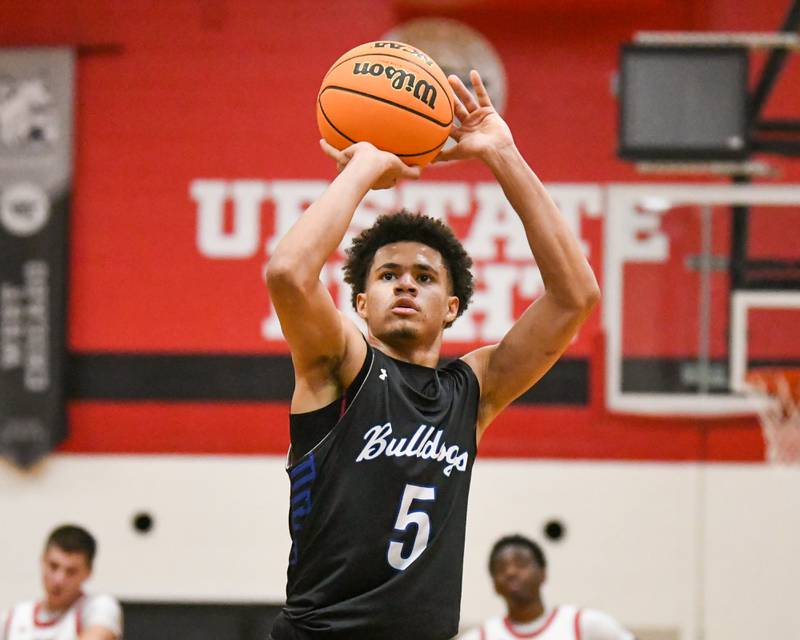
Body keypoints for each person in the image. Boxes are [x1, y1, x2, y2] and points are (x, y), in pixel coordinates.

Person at [265, 69, 599, 640]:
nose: (405, 285)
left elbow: (575, 297)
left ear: (450, 306)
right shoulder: (340, 368)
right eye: (389, 274)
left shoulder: (471, 391)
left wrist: (502, 153)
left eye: (424, 277)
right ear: (362, 303)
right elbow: (287, 274)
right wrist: (366, 169)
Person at [458, 535, 635, 640]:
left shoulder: (586, 624)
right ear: (494, 584)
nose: (511, 572)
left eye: (520, 563)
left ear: (542, 574)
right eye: (501, 568)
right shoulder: (480, 637)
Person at [0, 525, 122, 640]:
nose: (59, 580)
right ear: (43, 560)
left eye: (71, 572)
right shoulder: (15, 616)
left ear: (88, 573)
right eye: (53, 566)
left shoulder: (98, 606)